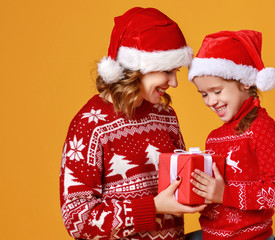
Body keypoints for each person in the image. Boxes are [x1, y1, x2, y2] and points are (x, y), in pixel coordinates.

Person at [59, 7, 205, 240]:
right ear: (138, 68)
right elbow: (78, 219)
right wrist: (153, 207)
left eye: (176, 71)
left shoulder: (165, 114)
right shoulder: (89, 125)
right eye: (167, 71)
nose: (174, 82)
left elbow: (176, 189)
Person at [187, 30, 275, 240]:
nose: (210, 101)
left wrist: (224, 194)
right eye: (204, 94)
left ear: (244, 82)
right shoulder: (214, 137)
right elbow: (217, 192)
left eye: (217, 91)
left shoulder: (262, 128)